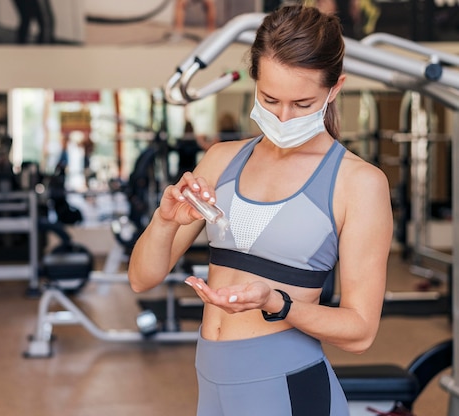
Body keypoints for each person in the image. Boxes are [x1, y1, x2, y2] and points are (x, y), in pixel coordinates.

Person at [128, 5, 393, 415]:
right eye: (270, 99)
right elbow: (141, 279)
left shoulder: (358, 183)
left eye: (302, 104)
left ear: (334, 89)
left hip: (288, 387)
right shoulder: (220, 160)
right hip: (211, 380)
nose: (283, 117)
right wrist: (165, 222)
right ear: (254, 81)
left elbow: (360, 332)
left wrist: (277, 302)